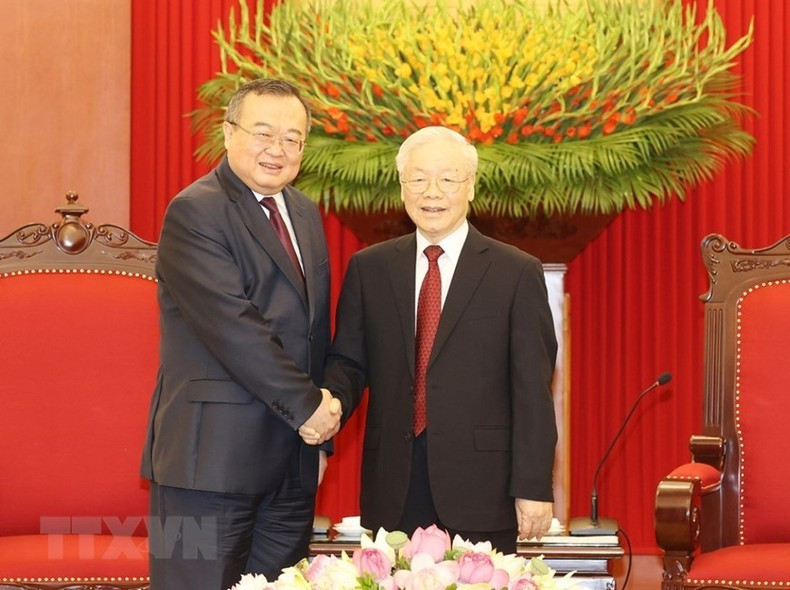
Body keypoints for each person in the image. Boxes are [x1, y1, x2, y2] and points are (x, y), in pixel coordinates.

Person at [315, 126, 558, 554]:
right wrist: (329, 407)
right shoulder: (369, 269)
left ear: (471, 187)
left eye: (448, 179)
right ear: (402, 186)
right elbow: (348, 363)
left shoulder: (515, 272)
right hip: (393, 483)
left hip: (484, 487)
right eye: (418, 178)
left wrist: (533, 487)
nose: (432, 192)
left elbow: (532, 390)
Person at [140, 78, 341, 589]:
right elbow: (234, 328)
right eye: (262, 132)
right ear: (229, 134)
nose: (277, 149)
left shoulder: (303, 212)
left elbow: (312, 333)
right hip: (207, 465)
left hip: (290, 466)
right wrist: (311, 409)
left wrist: (315, 442)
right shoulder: (195, 211)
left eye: (293, 138)